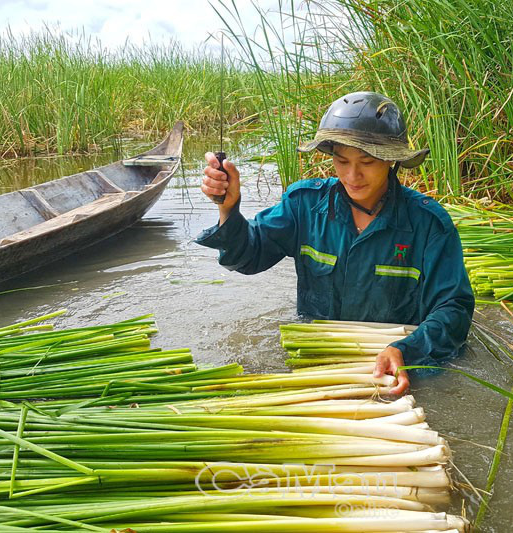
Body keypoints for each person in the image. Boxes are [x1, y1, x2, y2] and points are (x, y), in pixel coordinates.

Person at [197, 91, 474, 394]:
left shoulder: (428, 224)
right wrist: (229, 208)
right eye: (341, 161)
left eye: (367, 162)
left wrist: (407, 351)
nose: (352, 175)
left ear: (391, 162)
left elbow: (453, 309)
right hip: (316, 358)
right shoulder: (303, 205)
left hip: (395, 368)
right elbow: (246, 257)